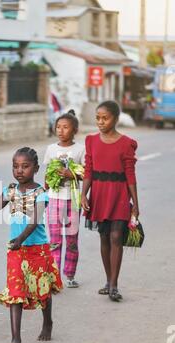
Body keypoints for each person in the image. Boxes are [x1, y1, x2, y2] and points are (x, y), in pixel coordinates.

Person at [0, 147, 63, 343]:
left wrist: (20, 239)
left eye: (25, 166)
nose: (19, 171)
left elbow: (35, 220)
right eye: (15, 166)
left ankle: (47, 322)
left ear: (35, 168)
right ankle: (16, 338)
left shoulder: (41, 193)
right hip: (16, 250)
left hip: (37, 249)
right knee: (15, 291)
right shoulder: (11, 190)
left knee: (42, 289)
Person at [81, 100, 139, 302]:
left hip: (119, 194)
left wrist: (136, 205)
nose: (100, 122)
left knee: (116, 237)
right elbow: (89, 170)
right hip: (99, 194)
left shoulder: (126, 143)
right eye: (98, 118)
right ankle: (108, 280)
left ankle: (114, 284)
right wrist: (83, 194)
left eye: (105, 118)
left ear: (116, 118)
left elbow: (130, 175)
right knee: (104, 237)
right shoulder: (91, 140)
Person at [43, 110, 85, 288]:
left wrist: (72, 174)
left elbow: (85, 174)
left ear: (74, 130)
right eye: (58, 127)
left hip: (73, 201)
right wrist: (47, 184)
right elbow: (46, 175)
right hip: (54, 199)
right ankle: (54, 277)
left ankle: (70, 274)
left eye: (65, 127)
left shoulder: (80, 149)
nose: (60, 130)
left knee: (72, 240)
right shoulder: (51, 149)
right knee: (54, 241)